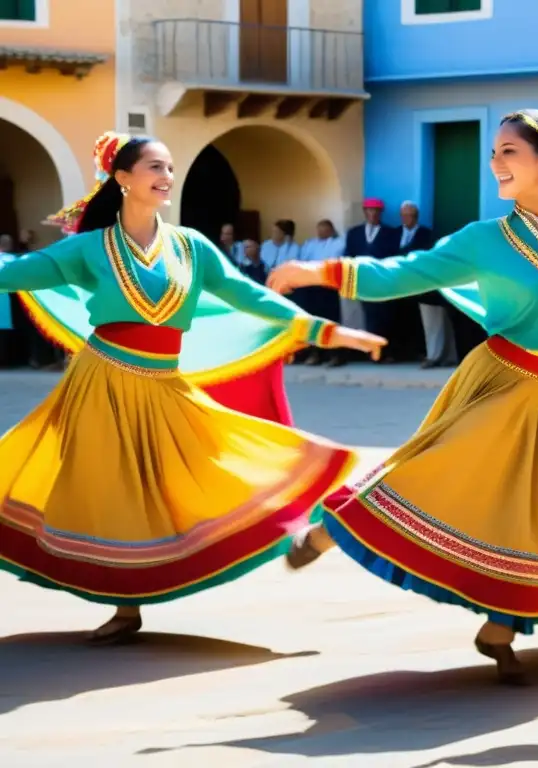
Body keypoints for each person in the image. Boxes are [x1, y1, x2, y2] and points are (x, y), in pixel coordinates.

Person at [267, 109, 538, 684]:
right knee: (428, 473)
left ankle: (500, 627)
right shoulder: (484, 238)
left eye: (508, 151)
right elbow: (402, 273)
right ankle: (330, 529)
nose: (495, 163)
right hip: (501, 381)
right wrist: (318, 273)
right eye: (493, 152)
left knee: (537, 510)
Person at [0, 132, 386, 645]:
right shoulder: (89, 248)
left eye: (170, 168)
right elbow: (17, 273)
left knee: (207, 465)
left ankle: (285, 533)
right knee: (115, 491)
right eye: (155, 167)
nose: (166, 177)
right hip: (102, 384)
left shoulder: (191, 247)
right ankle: (125, 603)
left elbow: (249, 296)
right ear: (122, 180)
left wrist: (329, 331)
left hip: (164, 382)